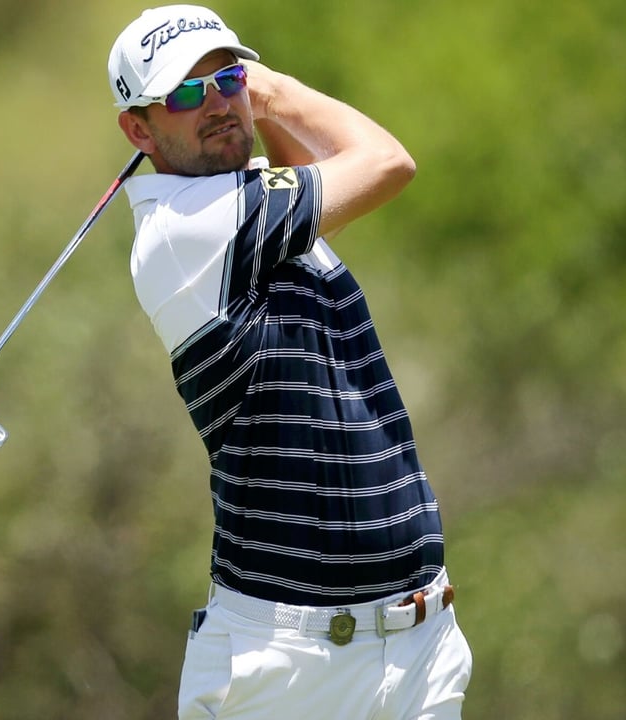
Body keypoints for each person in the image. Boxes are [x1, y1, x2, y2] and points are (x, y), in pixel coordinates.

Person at [108, 5, 472, 718]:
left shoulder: (251, 204)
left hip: (418, 650)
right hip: (287, 672)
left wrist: (251, 102)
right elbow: (385, 162)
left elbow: (311, 167)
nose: (216, 102)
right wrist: (268, 91)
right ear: (138, 130)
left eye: (227, 78)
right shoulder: (189, 229)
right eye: (187, 93)